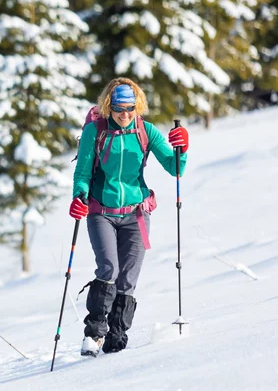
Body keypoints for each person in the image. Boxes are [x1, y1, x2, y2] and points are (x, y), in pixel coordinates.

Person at [70, 78, 189, 356]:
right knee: (108, 269)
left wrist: (182, 148)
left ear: (138, 107)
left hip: (136, 215)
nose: (124, 114)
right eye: (119, 108)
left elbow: (174, 168)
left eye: (130, 108)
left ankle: (117, 337)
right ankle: (94, 333)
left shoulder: (145, 131)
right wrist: (79, 196)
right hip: (102, 212)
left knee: (128, 280)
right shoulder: (94, 132)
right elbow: (83, 173)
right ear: (108, 106)